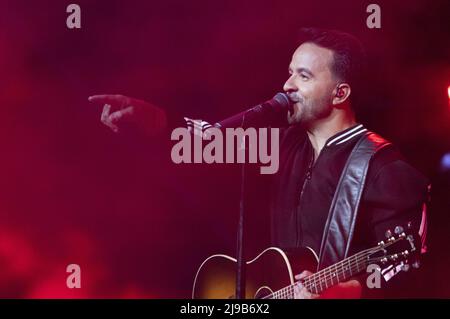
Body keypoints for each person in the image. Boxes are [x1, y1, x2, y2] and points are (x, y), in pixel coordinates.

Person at [88, 28, 429, 299]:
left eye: (304, 76)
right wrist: (156, 121)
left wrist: (348, 291)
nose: (287, 85)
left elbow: (413, 277)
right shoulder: (280, 146)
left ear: (340, 94)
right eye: (290, 73)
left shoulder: (386, 170)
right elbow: (209, 144)